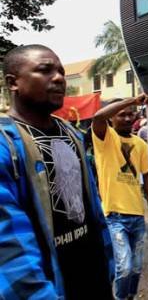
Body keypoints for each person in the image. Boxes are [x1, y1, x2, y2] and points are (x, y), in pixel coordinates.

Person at [0, 44, 113, 299]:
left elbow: (91, 207)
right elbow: (8, 249)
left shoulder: (71, 134)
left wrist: (110, 266)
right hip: (50, 287)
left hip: (96, 280)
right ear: (13, 82)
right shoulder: (6, 145)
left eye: (61, 71)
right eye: (45, 70)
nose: (60, 77)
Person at [92, 94, 148, 300]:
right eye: (121, 114)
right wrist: (132, 101)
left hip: (137, 215)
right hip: (114, 216)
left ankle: (129, 297)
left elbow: (147, 176)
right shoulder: (104, 137)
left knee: (135, 268)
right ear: (112, 118)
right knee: (124, 266)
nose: (127, 118)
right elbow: (98, 118)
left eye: (130, 115)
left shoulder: (141, 145)